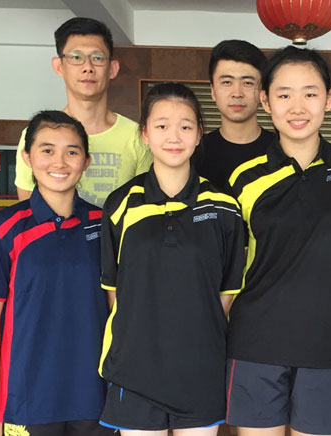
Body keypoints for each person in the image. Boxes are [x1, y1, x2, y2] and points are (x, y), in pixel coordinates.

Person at [225, 46, 331, 436]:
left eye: (310, 93)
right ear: (265, 100)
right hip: (255, 343)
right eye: (284, 94)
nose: (297, 106)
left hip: (328, 347)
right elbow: (225, 265)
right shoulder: (244, 179)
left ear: (330, 98)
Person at [98, 82, 245, 435]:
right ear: (145, 134)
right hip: (135, 368)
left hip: (199, 366)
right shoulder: (121, 204)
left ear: (198, 135)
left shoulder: (224, 205)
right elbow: (113, 287)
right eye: (162, 125)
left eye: (185, 126)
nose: (173, 136)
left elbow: (229, 288)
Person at [0, 110, 109, 436]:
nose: (59, 162)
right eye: (47, 150)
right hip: (27, 395)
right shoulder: (3, 230)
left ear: (86, 161)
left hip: (94, 392)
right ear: (27, 158)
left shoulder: (104, 225)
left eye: (71, 152)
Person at [15, 17, 152, 207]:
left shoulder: (137, 137)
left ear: (112, 69)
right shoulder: (35, 136)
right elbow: (30, 212)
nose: (88, 68)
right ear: (58, 66)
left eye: (97, 58)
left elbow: (144, 208)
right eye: (76, 57)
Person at [193, 39, 272, 192]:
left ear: (263, 92)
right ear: (213, 91)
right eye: (227, 82)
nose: (237, 93)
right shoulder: (195, 153)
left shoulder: (281, 151)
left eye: (248, 83)